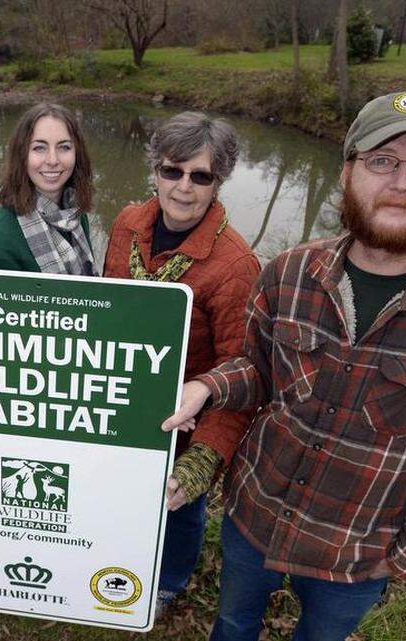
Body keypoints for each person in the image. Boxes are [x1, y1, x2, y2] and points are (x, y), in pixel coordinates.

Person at [164, 91, 406, 641]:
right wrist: (207, 388)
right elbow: (257, 370)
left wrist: (402, 560)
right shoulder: (289, 272)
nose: (402, 183)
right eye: (382, 161)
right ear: (348, 170)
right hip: (252, 517)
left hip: (356, 556)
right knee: (233, 624)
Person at [102, 112, 259, 614]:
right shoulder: (127, 225)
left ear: (219, 182)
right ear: (155, 170)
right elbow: (104, 310)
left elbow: (243, 373)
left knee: (179, 512)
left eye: (201, 176)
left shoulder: (235, 265)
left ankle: (168, 581)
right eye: (172, 171)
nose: (184, 187)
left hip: (184, 425)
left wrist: (202, 461)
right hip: (119, 406)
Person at [0, 103, 96, 274]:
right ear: (22, 155)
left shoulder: (76, 212)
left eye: (64, 147)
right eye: (39, 148)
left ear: (77, 153)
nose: (52, 160)